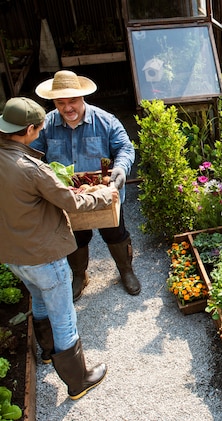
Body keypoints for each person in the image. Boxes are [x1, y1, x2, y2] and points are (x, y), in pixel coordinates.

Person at [0, 97, 115, 399]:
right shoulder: (31, 168)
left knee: (39, 299)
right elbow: (71, 200)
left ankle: (48, 352)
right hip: (43, 256)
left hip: (13, 255)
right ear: (28, 130)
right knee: (63, 315)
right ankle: (79, 381)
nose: (41, 130)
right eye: (38, 127)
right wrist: (105, 196)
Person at [31, 70, 141, 299]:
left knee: (115, 234)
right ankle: (80, 275)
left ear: (82, 98)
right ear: (54, 102)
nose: (67, 108)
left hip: (103, 192)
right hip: (67, 195)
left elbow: (125, 148)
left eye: (72, 101)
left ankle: (125, 269)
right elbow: (32, 154)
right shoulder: (47, 124)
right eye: (61, 103)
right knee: (74, 238)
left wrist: (120, 169)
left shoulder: (105, 120)